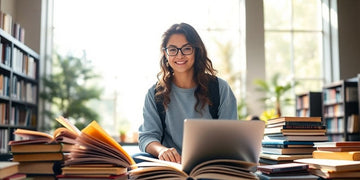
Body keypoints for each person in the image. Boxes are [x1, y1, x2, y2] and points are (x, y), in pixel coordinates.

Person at [136, 23, 238, 164]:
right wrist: (162, 151)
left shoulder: (219, 88)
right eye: (172, 49)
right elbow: (147, 137)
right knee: (136, 158)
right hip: (172, 165)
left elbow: (231, 136)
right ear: (165, 54)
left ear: (196, 51)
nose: (180, 55)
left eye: (186, 49)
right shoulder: (155, 94)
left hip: (210, 164)